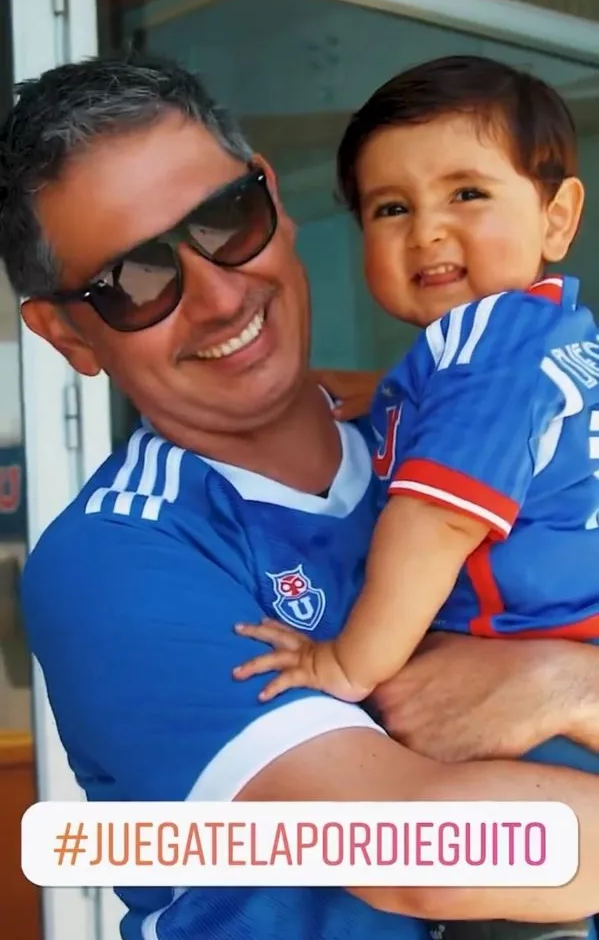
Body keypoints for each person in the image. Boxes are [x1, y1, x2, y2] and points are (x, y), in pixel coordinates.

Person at [2, 55, 599, 940]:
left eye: (225, 218)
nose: (216, 295)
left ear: (274, 201)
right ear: (66, 333)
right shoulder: (119, 558)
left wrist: (569, 687)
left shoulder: (437, 437)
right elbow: (439, 854)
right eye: (134, 280)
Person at [231, 55, 599, 939]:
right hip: (562, 647)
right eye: (390, 208)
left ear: (556, 217)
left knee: (494, 883)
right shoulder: (545, 334)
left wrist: (343, 665)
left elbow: (434, 518)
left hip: (528, 667)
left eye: (466, 194)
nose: (427, 231)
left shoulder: (484, 346)